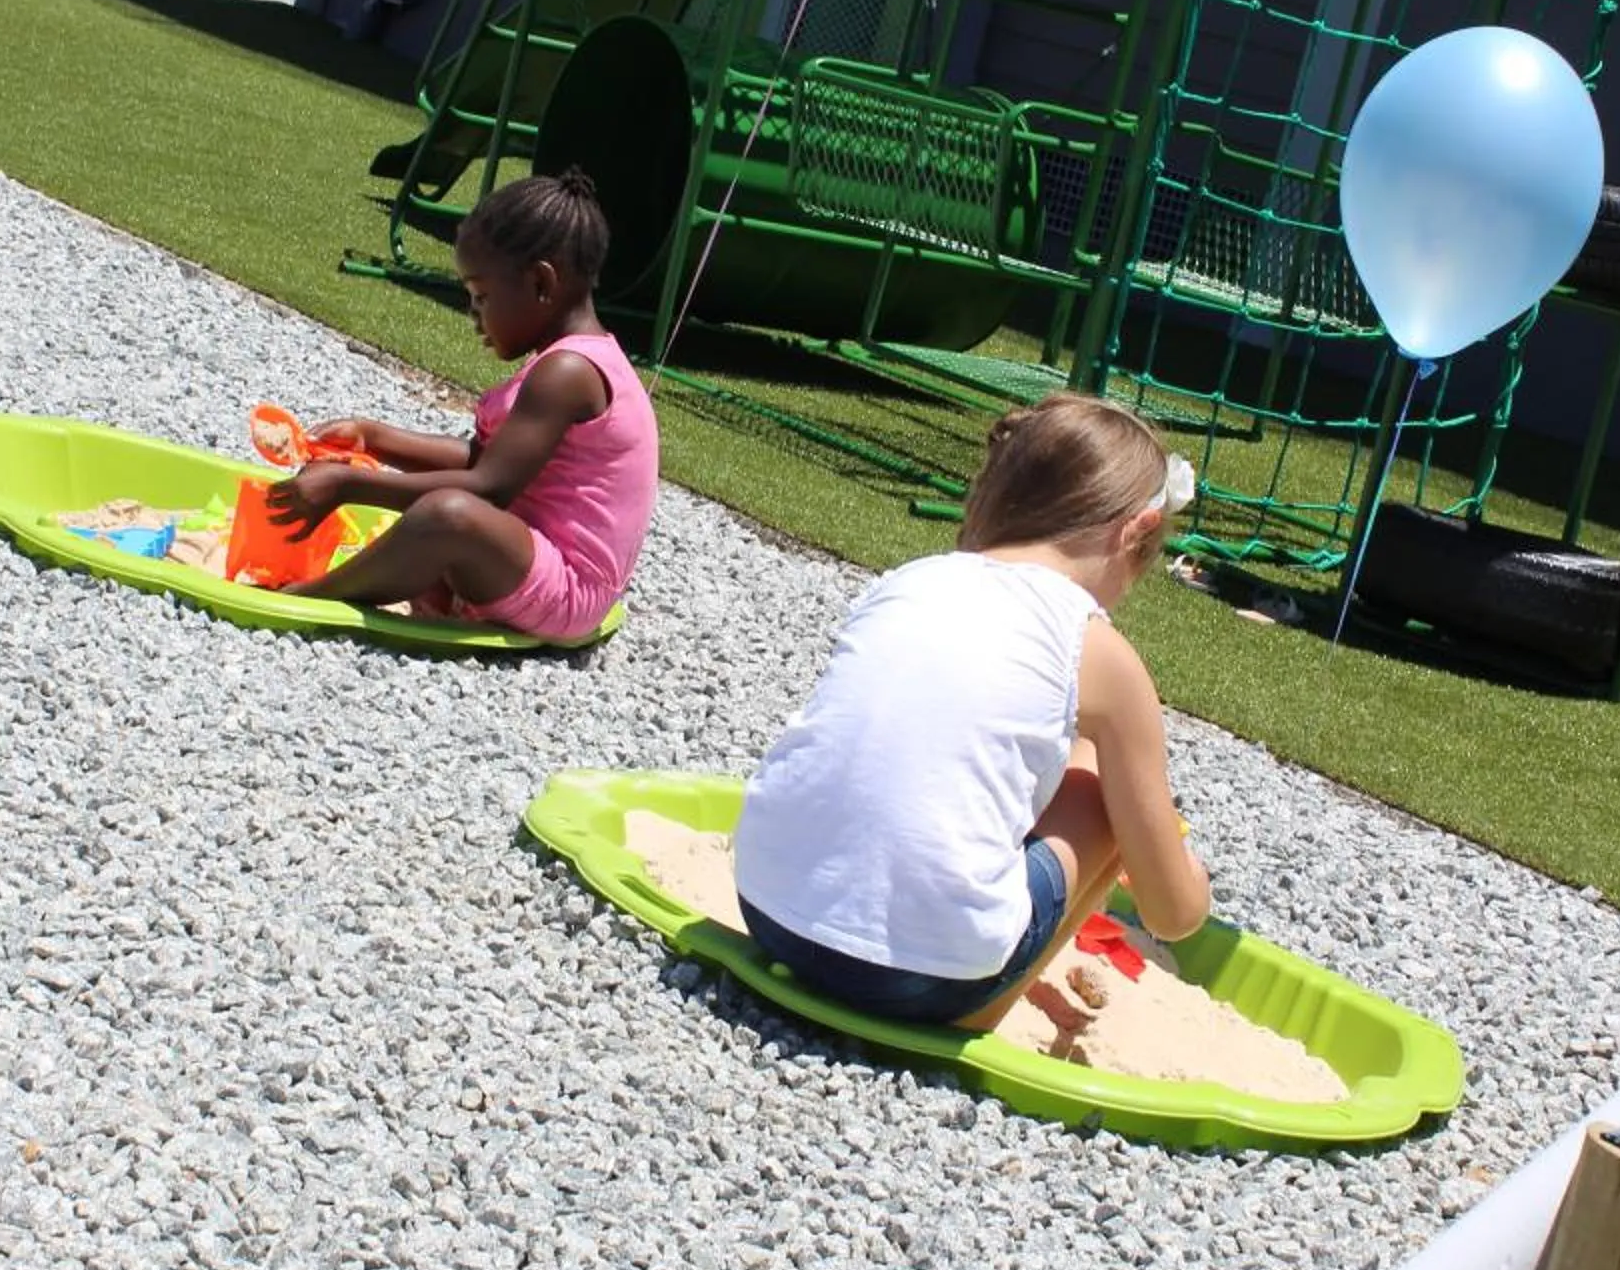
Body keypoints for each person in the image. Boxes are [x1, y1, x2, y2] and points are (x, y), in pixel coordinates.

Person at [733, 393, 1209, 1030]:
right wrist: (1187, 877)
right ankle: (983, 1005)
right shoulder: (1097, 649)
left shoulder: (912, 578)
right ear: (1137, 532)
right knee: (1099, 783)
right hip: (916, 981)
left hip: (767, 907)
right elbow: (1170, 914)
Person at [266, 168, 658, 642]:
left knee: (447, 514)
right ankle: (424, 594)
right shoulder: (565, 360)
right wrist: (373, 438)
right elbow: (484, 461)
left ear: (541, 282)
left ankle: (313, 597)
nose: (473, 315)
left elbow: (488, 488)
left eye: (481, 297)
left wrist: (347, 485)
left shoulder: (568, 372)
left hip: (569, 593)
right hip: (526, 557)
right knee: (438, 517)